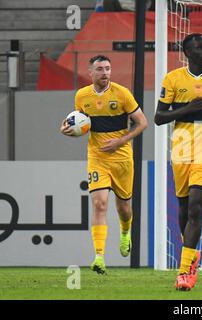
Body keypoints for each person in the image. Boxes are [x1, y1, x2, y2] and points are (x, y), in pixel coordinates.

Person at [154, 33, 202, 291]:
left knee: (196, 207)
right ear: (187, 53)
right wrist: (187, 109)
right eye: (200, 48)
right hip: (181, 143)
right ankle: (192, 254)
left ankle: (185, 271)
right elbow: (158, 117)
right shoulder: (173, 79)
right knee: (185, 207)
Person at [60, 55, 148, 274]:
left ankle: (125, 231)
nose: (105, 73)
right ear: (90, 72)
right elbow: (80, 122)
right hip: (97, 157)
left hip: (122, 158)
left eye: (108, 69)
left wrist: (120, 140)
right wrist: (66, 128)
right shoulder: (82, 96)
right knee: (99, 204)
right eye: (100, 69)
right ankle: (99, 257)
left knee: (124, 208)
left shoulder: (122, 93)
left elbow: (142, 122)